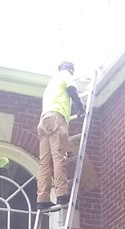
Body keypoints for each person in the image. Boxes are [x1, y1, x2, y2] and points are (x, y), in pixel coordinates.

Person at [36, 61, 86, 211]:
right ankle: (62, 194)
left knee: (44, 162)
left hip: (44, 121)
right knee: (59, 157)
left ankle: (42, 198)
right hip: (56, 118)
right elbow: (72, 91)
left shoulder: (51, 84)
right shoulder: (66, 75)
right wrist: (80, 107)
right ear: (71, 69)